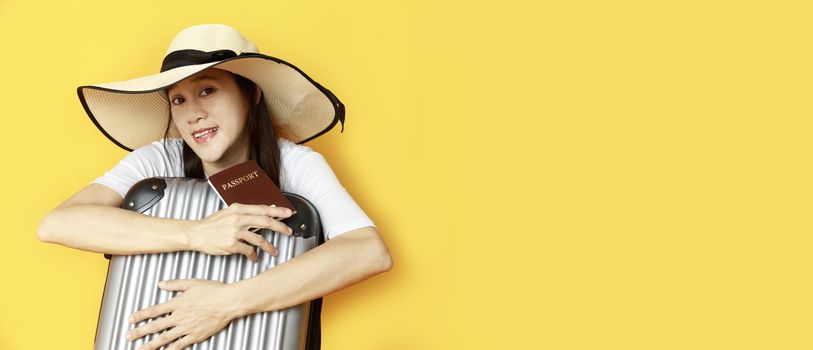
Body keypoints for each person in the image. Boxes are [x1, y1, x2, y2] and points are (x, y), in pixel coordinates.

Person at [38, 24, 393, 350]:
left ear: (251, 93)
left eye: (207, 90)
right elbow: (58, 223)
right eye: (178, 99)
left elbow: (367, 251)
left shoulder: (297, 164)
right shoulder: (161, 159)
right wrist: (196, 234)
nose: (192, 114)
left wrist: (225, 304)